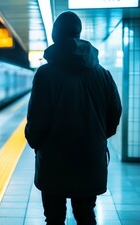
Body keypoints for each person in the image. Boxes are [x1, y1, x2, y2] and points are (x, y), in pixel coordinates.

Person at [25, 11, 122, 225]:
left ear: (54, 36)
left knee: (54, 218)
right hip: (89, 158)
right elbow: (114, 113)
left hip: (53, 160)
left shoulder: (45, 75)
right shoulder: (102, 74)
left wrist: (34, 141)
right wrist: (97, 136)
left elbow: (36, 120)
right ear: (78, 34)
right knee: (86, 215)